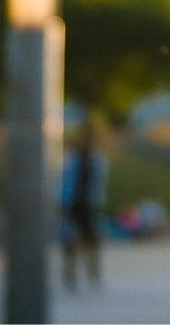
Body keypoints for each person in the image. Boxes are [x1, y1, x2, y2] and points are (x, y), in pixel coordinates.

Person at [59, 122, 107, 292]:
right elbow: (64, 182)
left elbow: (98, 185)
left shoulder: (97, 161)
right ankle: (69, 275)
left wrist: (97, 202)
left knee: (93, 238)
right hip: (73, 204)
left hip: (88, 205)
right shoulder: (71, 161)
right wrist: (63, 202)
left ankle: (93, 272)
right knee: (70, 239)